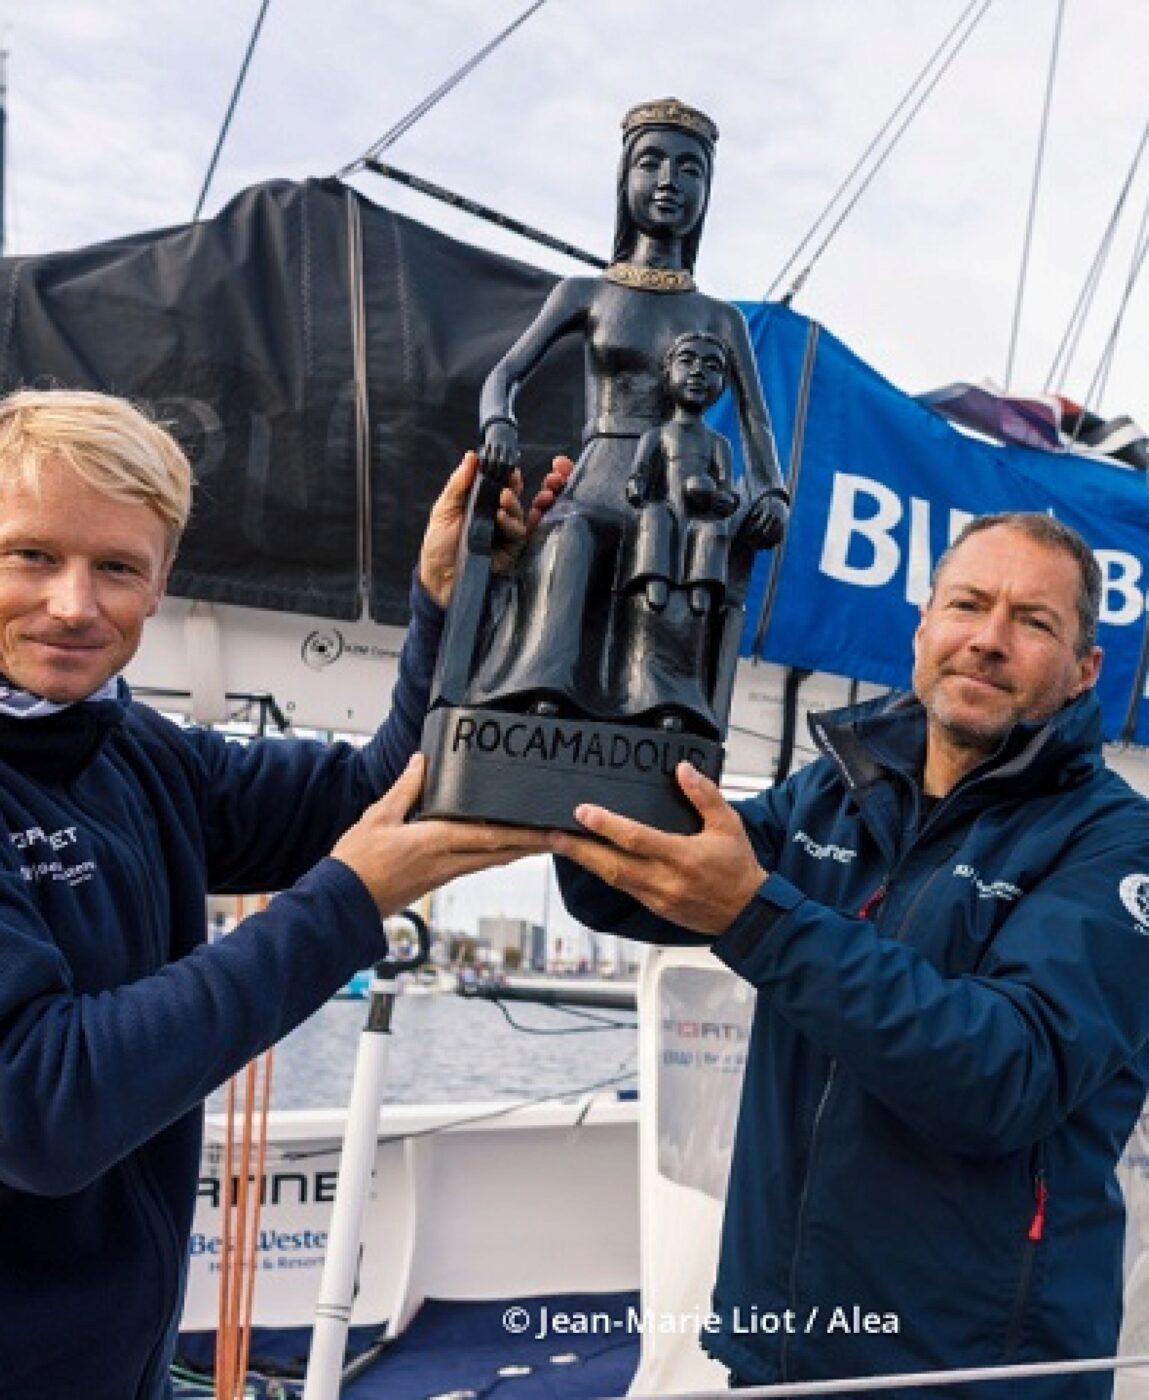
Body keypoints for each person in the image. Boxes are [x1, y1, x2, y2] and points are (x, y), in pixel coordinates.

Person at [551, 513, 1149, 1399]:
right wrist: (569, 615)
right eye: (968, 604)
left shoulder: (1121, 847)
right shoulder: (835, 791)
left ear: (1086, 670)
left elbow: (1004, 1078)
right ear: (924, 625)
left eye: (1033, 621)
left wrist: (758, 916)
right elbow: (617, 883)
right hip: (786, 1346)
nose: (989, 639)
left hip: (976, 1375)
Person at [0, 388, 556, 1399]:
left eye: (117, 565)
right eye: (31, 554)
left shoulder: (143, 757)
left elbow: (370, 790)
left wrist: (447, 599)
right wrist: (352, 899)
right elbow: (42, 1104)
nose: (75, 603)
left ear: (163, 581)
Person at [458, 98, 788, 736]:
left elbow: (755, 419)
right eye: (652, 162)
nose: (670, 181)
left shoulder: (720, 318)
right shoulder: (585, 293)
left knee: (667, 549)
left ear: (707, 191)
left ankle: (660, 702)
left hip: (673, 483)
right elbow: (504, 375)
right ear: (625, 179)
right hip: (599, 471)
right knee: (570, 537)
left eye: (690, 170)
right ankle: (535, 691)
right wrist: (498, 419)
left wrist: (769, 487)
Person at [623, 330, 740, 619]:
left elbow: (727, 488)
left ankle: (701, 583)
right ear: (668, 371)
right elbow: (638, 475)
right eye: (687, 361)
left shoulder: (718, 444)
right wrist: (637, 489)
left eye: (712, 367)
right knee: (655, 518)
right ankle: (655, 576)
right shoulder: (656, 436)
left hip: (700, 513)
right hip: (667, 508)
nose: (698, 372)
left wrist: (721, 497)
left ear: (722, 383)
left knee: (712, 530)